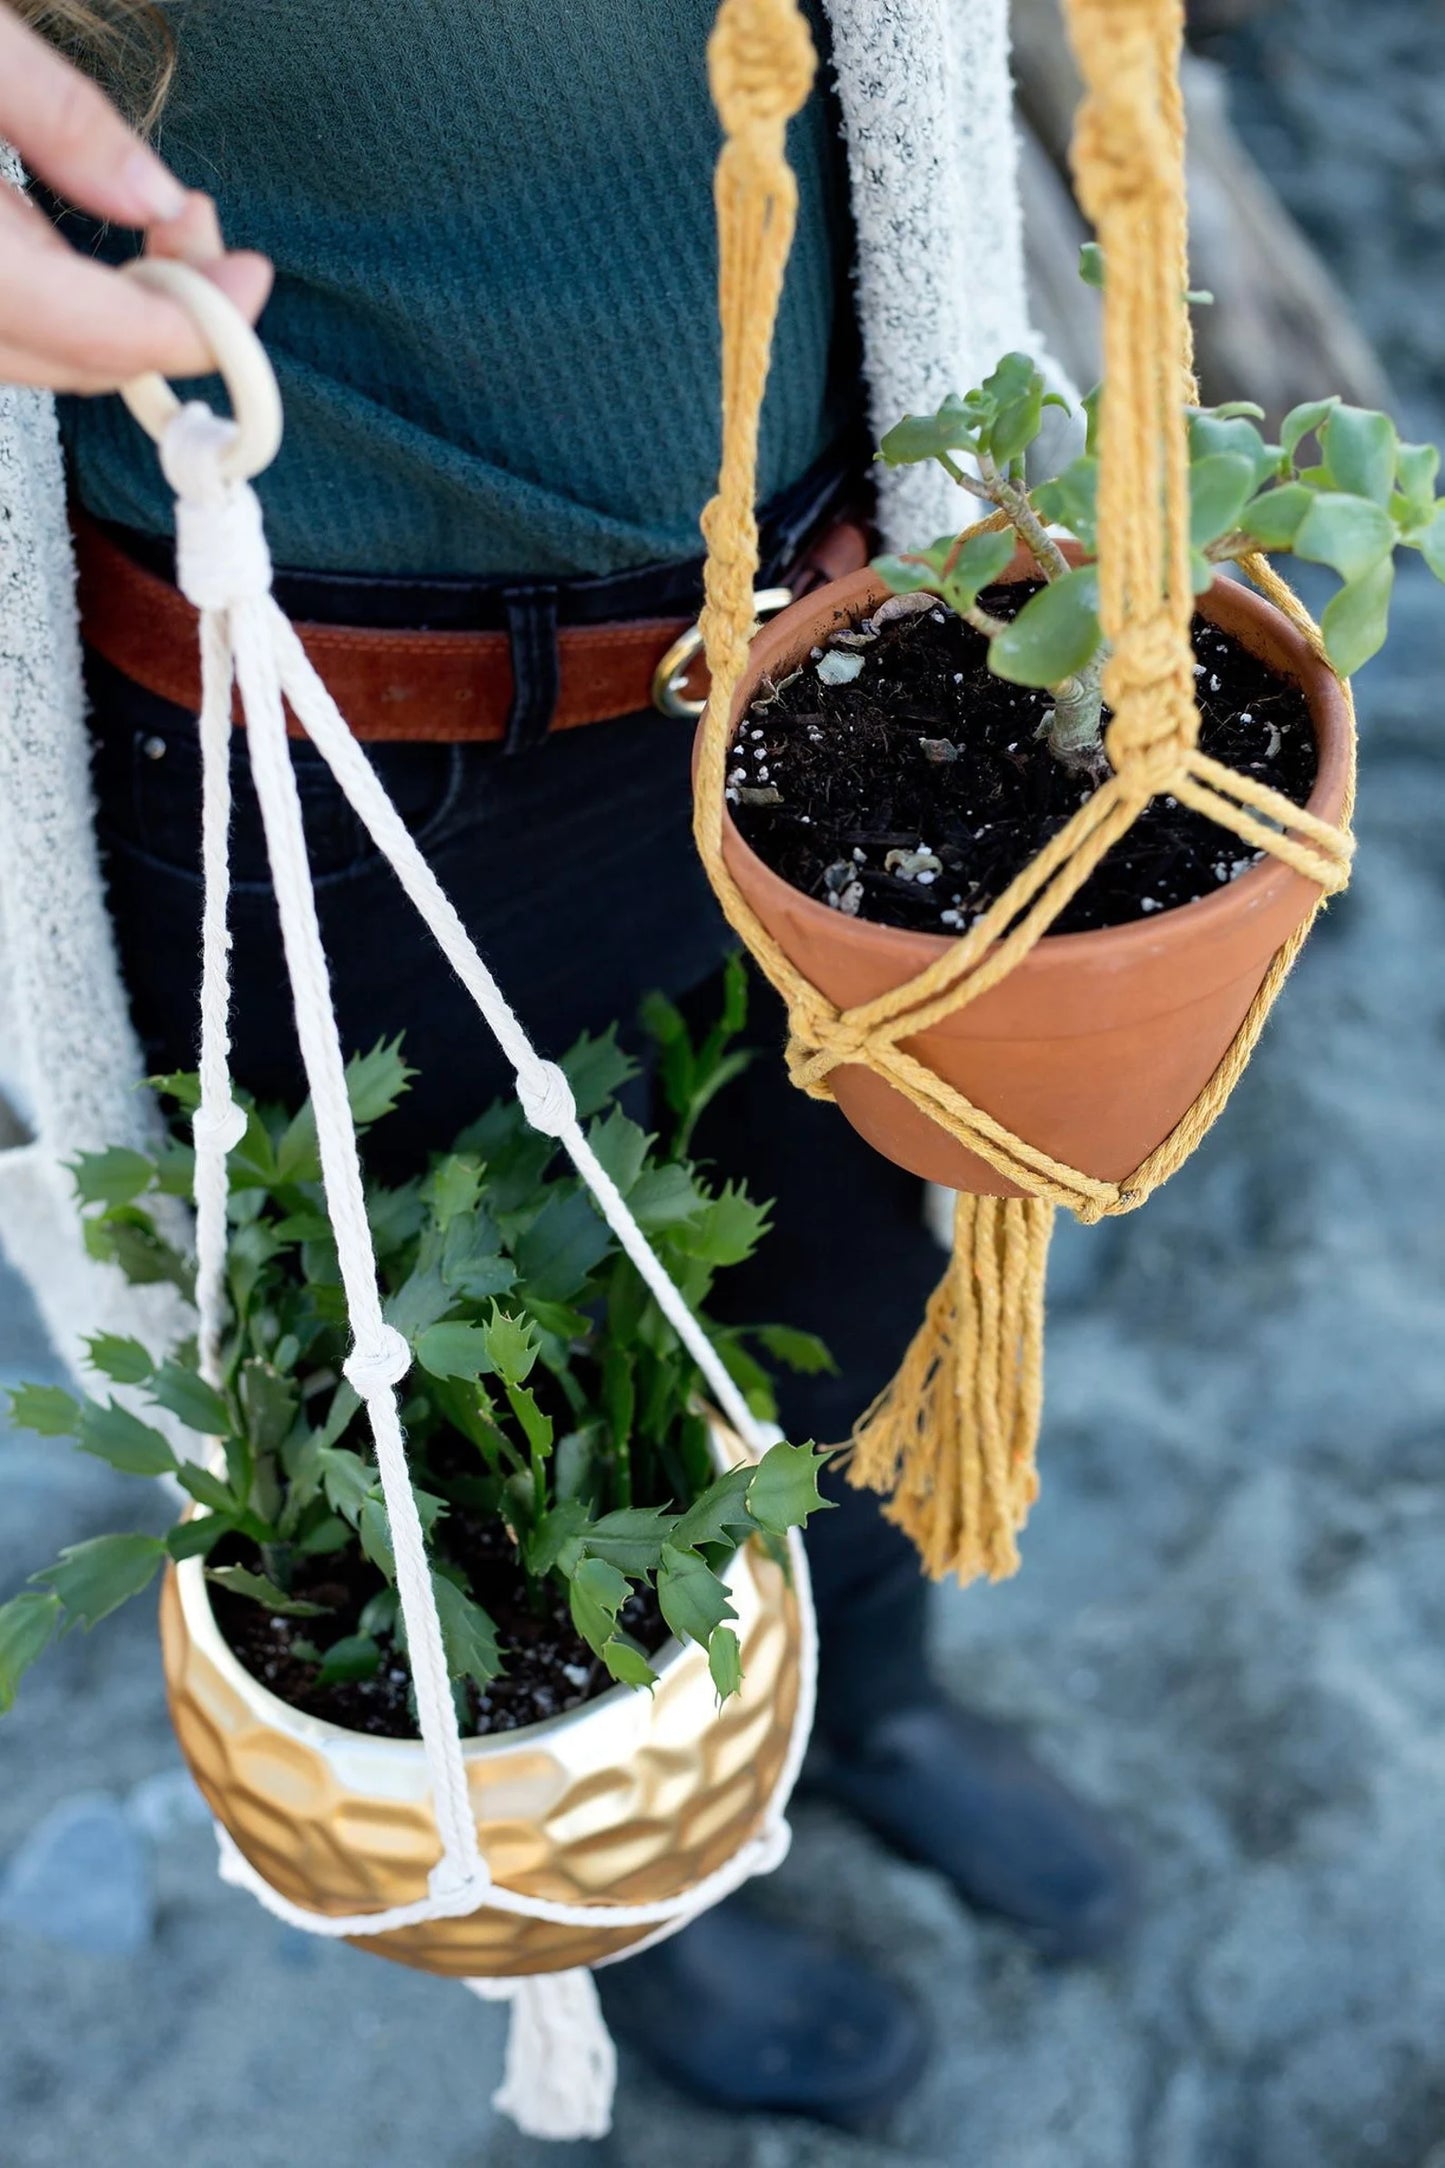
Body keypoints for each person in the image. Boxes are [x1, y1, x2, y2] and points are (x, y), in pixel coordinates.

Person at [0, 0, 1134, 2127]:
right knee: (479, 1444)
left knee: (862, 1289)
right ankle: (638, 1897)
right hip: (312, 723)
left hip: (829, 614)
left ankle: (863, 1705)